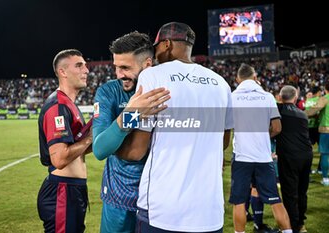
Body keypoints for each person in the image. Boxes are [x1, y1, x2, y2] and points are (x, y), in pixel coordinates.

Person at [124, 22, 233, 233]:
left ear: (166, 44)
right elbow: (224, 141)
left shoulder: (153, 75)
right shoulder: (221, 83)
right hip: (209, 212)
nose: (154, 55)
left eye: (156, 48)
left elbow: (136, 151)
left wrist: (113, 139)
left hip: (163, 209)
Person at [92, 31, 170, 233]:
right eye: (116, 67)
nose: (119, 75)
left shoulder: (168, 89)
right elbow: (100, 149)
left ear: (147, 64)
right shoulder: (108, 92)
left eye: (125, 68)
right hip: (119, 196)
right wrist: (131, 115)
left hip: (159, 195)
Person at [229, 63, 293, 233]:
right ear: (255, 77)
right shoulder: (268, 97)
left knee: (239, 202)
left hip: (242, 157)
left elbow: (226, 127)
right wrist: (263, 136)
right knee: (275, 200)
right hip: (264, 158)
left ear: (237, 79)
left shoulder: (232, 97)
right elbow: (277, 128)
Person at [37, 49, 93, 232]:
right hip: (62, 191)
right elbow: (59, 159)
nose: (86, 70)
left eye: (85, 65)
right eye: (79, 65)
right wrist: (90, 138)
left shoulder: (68, 104)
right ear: (63, 72)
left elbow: (77, 149)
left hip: (71, 190)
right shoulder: (58, 106)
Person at [276, 85, 313, 233]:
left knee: (290, 192)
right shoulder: (302, 114)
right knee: (302, 191)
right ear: (296, 98)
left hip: (289, 156)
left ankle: (292, 225)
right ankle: (300, 224)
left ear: (279, 97)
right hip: (306, 155)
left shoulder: (278, 111)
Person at [306, 81, 329, 186]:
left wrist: (302, 114)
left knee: (324, 154)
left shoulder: (325, 98)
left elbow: (312, 111)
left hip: (326, 129)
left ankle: (325, 178)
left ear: (325, 89)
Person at [304, 87, 322, 174]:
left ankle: (308, 168)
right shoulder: (319, 100)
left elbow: (307, 113)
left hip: (308, 127)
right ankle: (320, 168)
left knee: (308, 149)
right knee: (323, 149)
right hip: (318, 127)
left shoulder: (308, 101)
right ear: (318, 92)